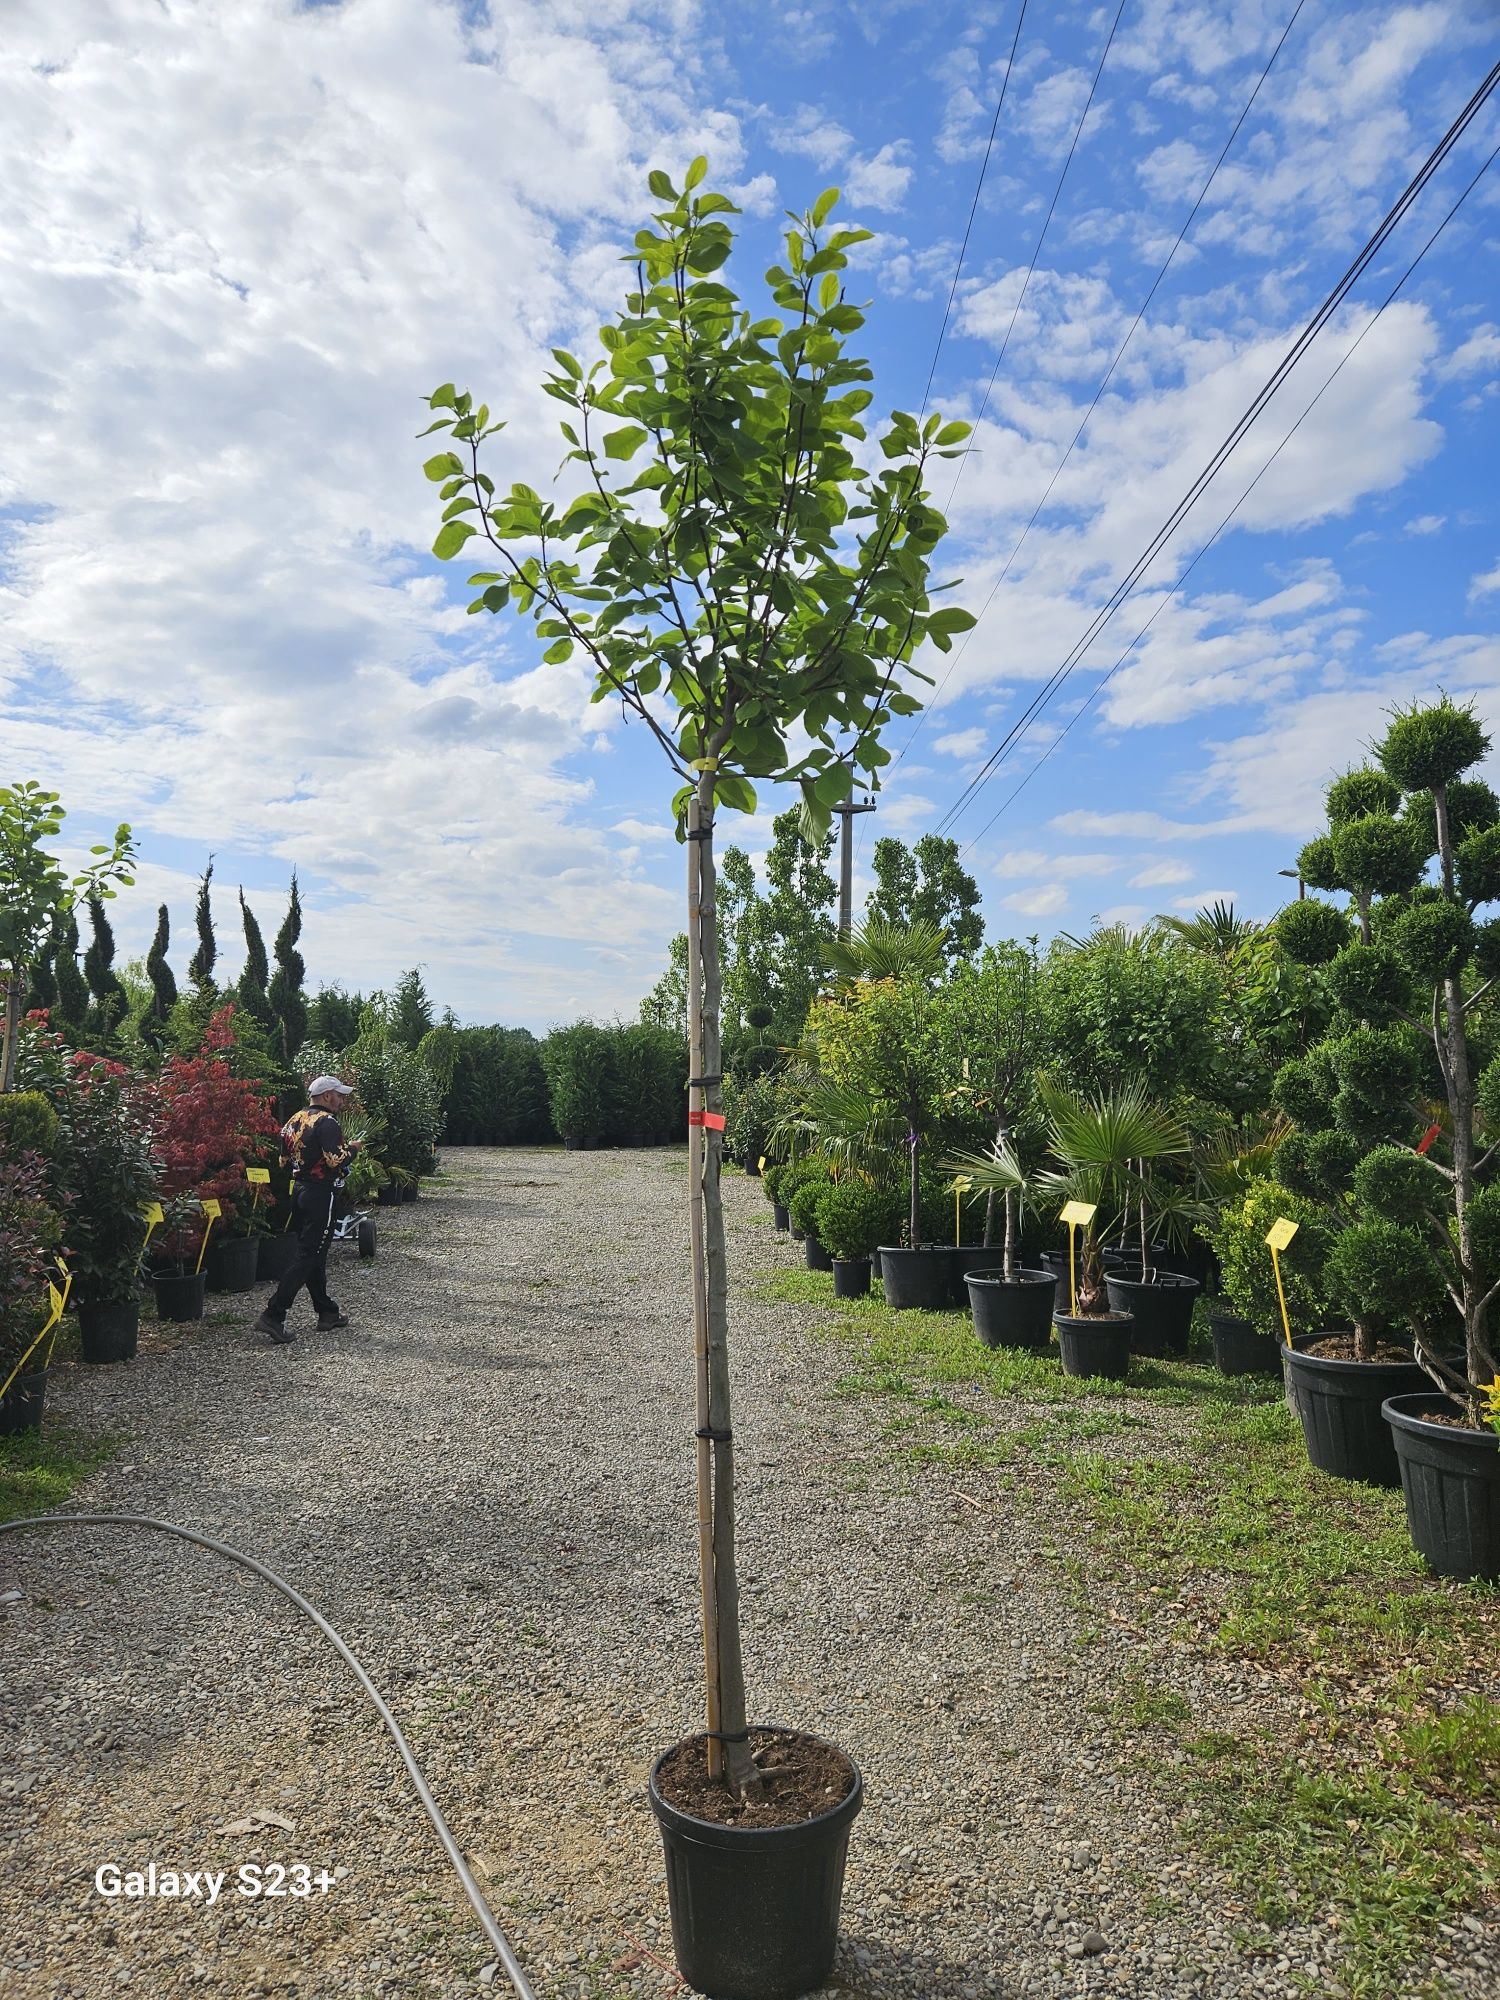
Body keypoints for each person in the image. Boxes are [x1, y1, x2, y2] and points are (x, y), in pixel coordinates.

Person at [254, 1076, 358, 1346]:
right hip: (321, 1194)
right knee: (308, 1255)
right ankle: (274, 1314)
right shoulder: (327, 1122)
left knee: (315, 1253)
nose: (342, 1100)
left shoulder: (293, 1120)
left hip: (298, 1191)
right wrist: (353, 1150)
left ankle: (327, 1312)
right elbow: (336, 1159)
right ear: (326, 1097)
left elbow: (283, 1160)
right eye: (339, 1095)